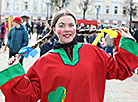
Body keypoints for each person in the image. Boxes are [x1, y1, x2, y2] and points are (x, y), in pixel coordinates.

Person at [0, 9, 138, 102]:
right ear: (54, 29)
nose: (67, 29)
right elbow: (30, 94)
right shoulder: (43, 62)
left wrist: (128, 42)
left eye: (71, 25)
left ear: (76, 28)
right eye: (62, 25)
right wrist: (14, 72)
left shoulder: (94, 53)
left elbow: (120, 69)